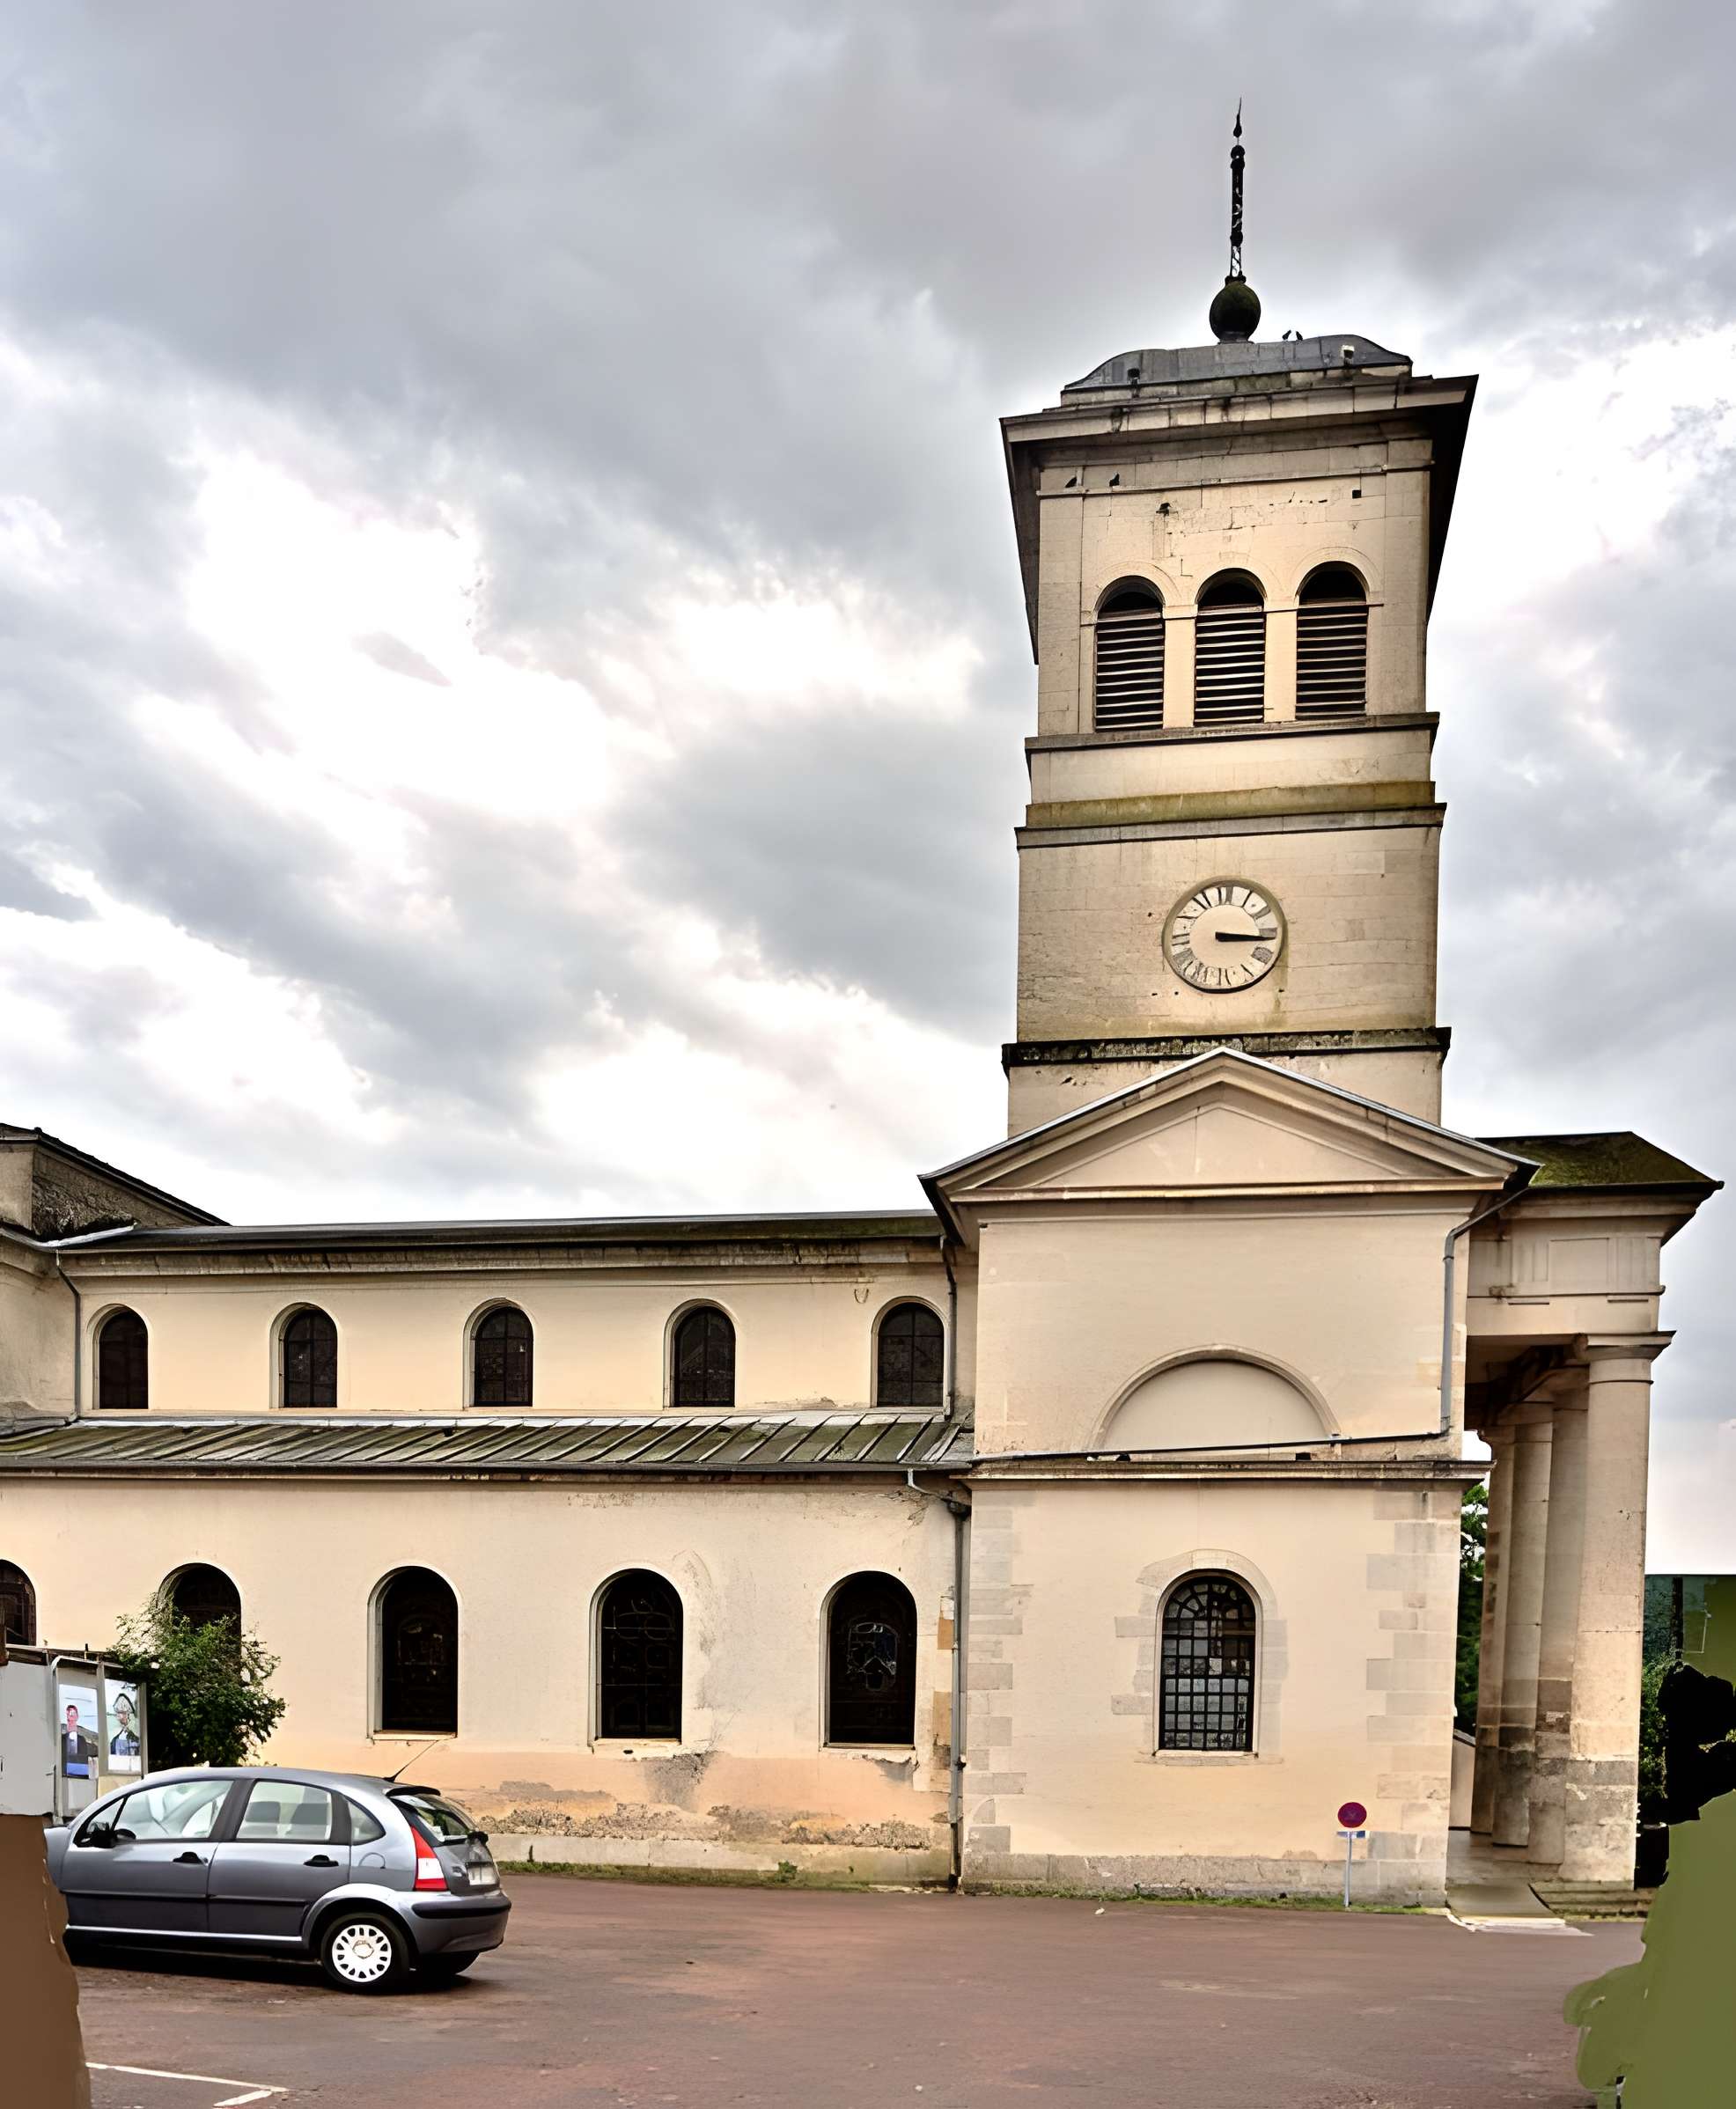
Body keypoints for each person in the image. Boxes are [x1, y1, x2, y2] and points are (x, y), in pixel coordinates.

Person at [61, 1702, 97, 1778]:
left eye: (73, 1712)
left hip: (80, 1776)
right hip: (64, 1776)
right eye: (69, 1713)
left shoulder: (82, 1740)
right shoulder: (61, 1739)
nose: (71, 1715)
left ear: (77, 1716)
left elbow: (83, 1760)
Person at [108, 1692, 140, 1759]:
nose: (117, 1716)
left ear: (127, 1714)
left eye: (119, 1712)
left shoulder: (136, 1732)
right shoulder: (115, 1739)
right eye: (117, 1712)